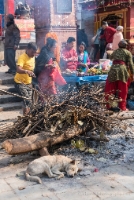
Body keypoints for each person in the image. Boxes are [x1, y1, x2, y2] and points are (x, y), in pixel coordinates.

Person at [105, 40, 134, 111]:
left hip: (113, 70)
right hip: (122, 70)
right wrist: (133, 73)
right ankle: (122, 107)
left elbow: (111, 58)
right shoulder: (128, 52)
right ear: (126, 46)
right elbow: (131, 64)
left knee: (110, 89)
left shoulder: (115, 51)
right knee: (123, 89)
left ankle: (108, 106)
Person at [14, 43, 37, 115]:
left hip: (28, 83)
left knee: (29, 102)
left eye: (35, 52)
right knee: (26, 101)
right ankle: (25, 118)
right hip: (20, 83)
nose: (33, 54)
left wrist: (31, 74)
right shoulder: (22, 57)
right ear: (27, 49)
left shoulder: (33, 57)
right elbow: (18, 69)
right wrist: (26, 71)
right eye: (32, 52)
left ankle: (27, 117)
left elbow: (31, 69)